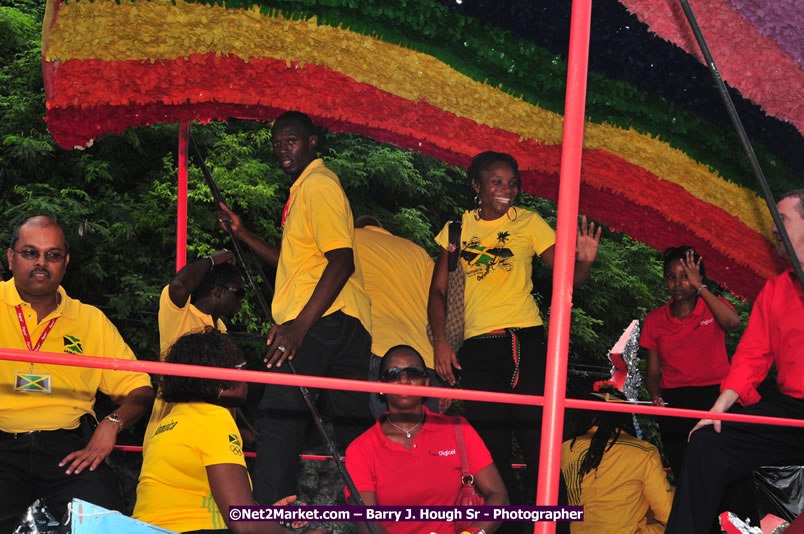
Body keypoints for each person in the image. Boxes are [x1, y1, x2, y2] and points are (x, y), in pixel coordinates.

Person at [216, 110, 374, 505]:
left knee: (279, 414)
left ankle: (272, 513)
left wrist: (298, 328)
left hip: (319, 319)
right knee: (352, 422)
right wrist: (242, 233)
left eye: (292, 141)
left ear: (313, 142)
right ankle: (371, 509)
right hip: (345, 320)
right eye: (277, 143)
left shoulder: (318, 184)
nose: (282, 150)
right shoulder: (307, 188)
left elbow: (342, 260)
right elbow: (291, 260)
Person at [428, 151, 600, 508]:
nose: (507, 190)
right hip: (475, 349)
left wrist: (583, 261)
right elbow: (438, 291)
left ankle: (555, 529)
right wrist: (441, 342)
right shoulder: (456, 230)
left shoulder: (530, 222)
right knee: (490, 453)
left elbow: (569, 280)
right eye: (496, 182)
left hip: (522, 341)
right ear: (477, 185)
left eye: (512, 183)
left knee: (539, 447)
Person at [0, 216, 154, 531]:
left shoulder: (90, 320)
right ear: (10, 257)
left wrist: (112, 424)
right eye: (30, 252)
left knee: (103, 523)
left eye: (52, 255)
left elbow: (140, 389)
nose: (41, 263)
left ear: (65, 262)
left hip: (70, 450)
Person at [665, 189, 804, 533]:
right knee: (708, 441)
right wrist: (717, 409)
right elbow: (751, 357)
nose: (773, 230)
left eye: (782, 219)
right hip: (794, 410)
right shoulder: (775, 290)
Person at [133, 330, 323, 534]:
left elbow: (199, 497)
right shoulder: (213, 418)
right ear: (220, 380)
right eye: (242, 369)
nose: (246, 378)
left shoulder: (169, 421)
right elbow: (243, 524)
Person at [345, 345, 509, 534]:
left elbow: (499, 497)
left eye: (413, 373)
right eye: (393, 374)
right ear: (380, 385)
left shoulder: (457, 429)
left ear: (426, 382)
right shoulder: (361, 449)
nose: (404, 380)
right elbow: (367, 523)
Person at [641, 246, 740, 479]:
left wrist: (701, 287)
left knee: (729, 472)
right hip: (677, 402)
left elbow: (733, 323)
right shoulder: (655, 319)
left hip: (718, 397)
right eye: (671, 277)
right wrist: (656, 397)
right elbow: (653, 374)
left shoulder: (712, 307)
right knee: (687, 473)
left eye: (685, 276)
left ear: (698, 277)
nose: (677, 283)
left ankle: (737, 516)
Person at [144, 249, 246, 444]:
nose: (242, 299)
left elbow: (226, 392)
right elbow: (179, 285)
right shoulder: (180, 315)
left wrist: (247, 433)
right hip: (173, 435)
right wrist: (212, 260)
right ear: (217, 291)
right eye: (238, 292)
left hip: (211, 435)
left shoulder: (221, 330)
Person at [353, 215, 449, 417]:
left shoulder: (348, 240)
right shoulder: (417, 252)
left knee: (380, 439)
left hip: (379, 354)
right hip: (426, 362)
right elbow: (440, 304)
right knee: (427, 441)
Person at [561, 387, 674, 533]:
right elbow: (667, 513)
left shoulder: (567, 448)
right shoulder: (644, 451)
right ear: (625, 417)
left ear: (589, 414)